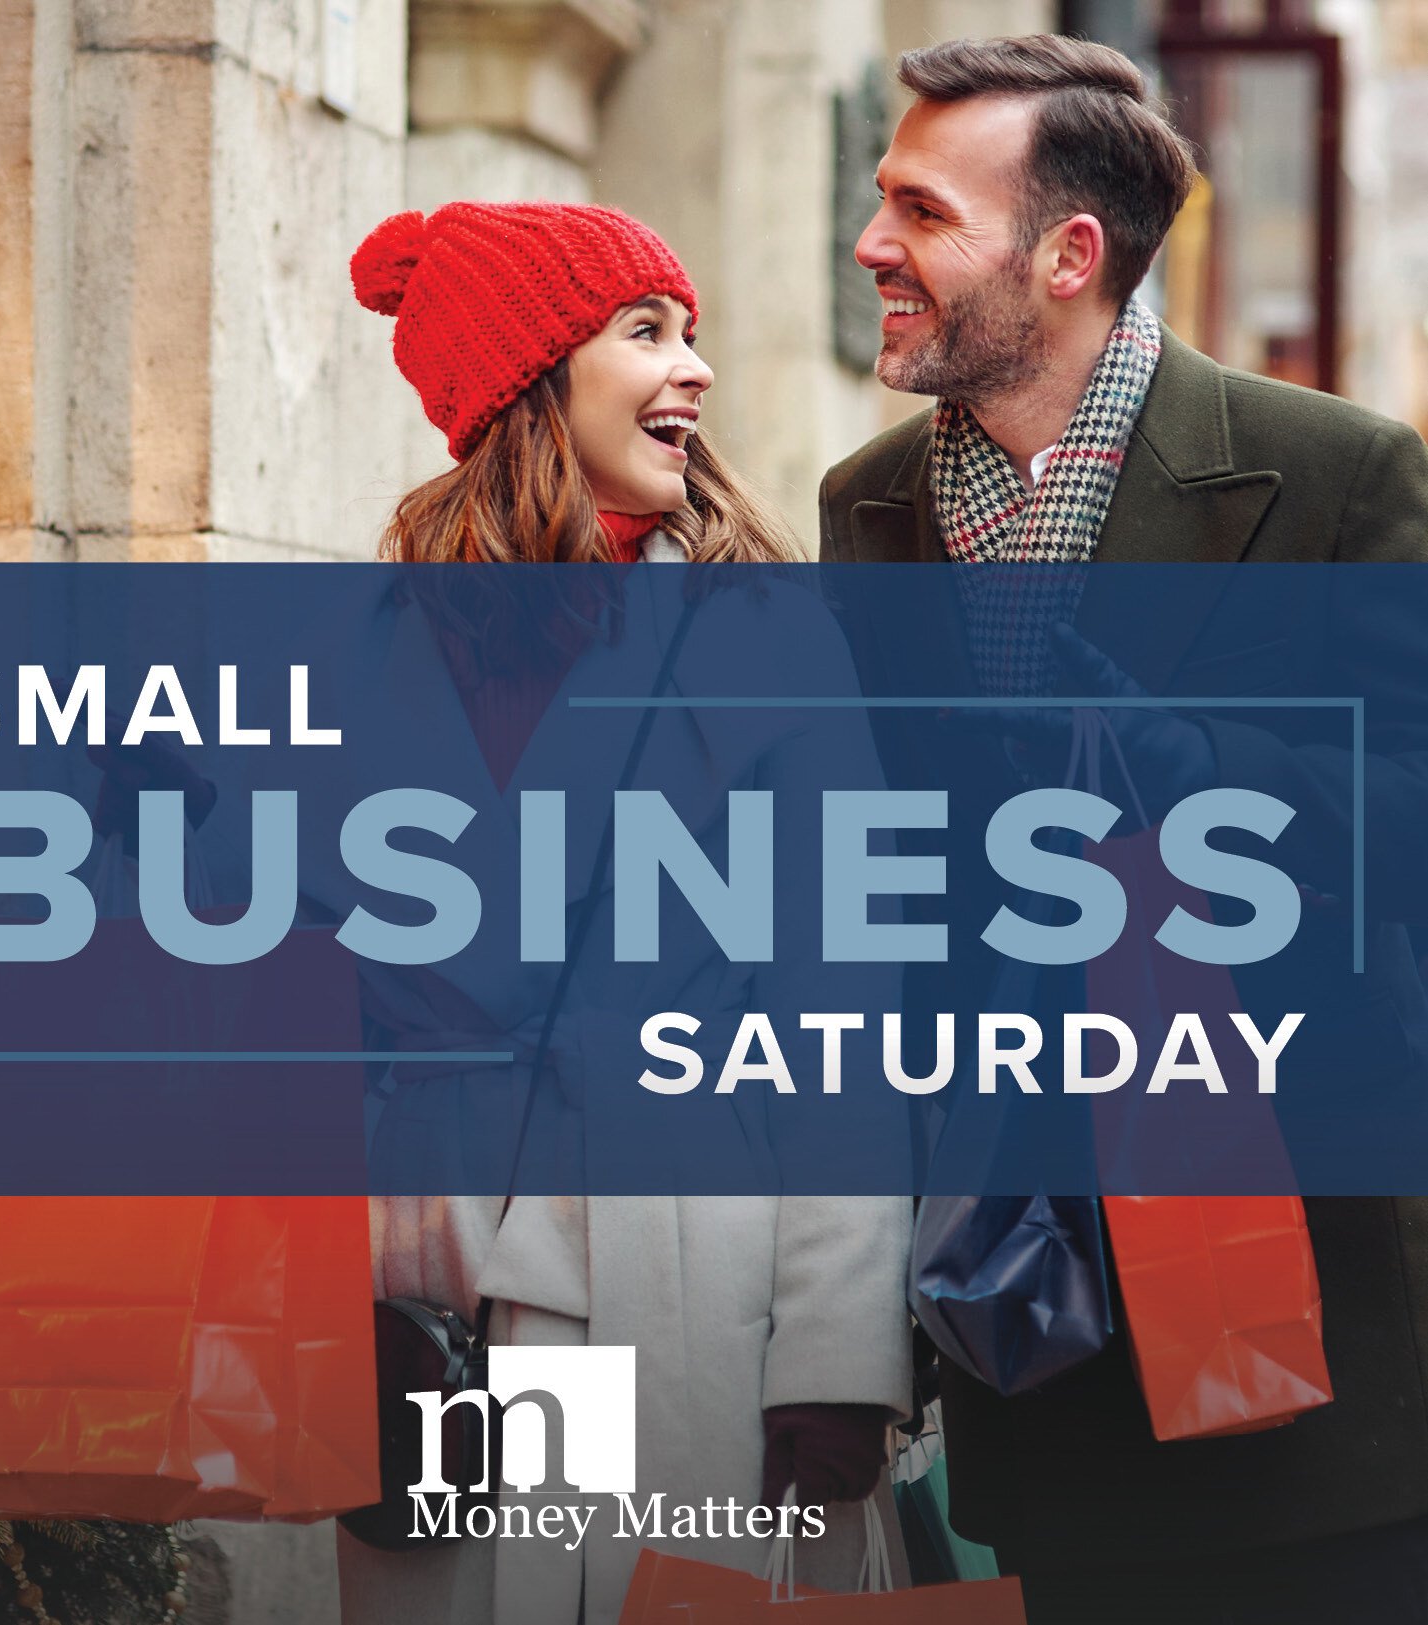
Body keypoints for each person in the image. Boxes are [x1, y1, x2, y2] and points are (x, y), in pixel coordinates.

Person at [819, 32, 1428, 1625]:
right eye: (881, 199)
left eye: (921, 212)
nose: (872, 244)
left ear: (1068, 254)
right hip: (1027, 1332)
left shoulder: (1329, 477)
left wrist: (1189, 767)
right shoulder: (867, 508)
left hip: (1304, 1333)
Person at [334, 200, 914, 1625]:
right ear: (531, 378)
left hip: (687, 1269)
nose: (694, 369)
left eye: (692, 333)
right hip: (429, 1302)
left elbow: (840, 1005)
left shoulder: (764, 632)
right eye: (645, 332)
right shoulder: (378, 638)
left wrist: (839, 1350)